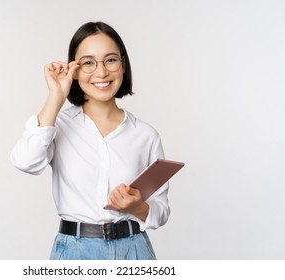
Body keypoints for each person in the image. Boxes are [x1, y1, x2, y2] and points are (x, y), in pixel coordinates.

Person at [10, 21, 170, 260]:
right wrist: (56, 96)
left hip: (135, 250)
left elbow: (161, 209)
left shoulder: (145, 135)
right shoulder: (58, 124)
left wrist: (137, 207)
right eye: (88, 63)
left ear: (123, 65)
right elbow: (26, 162)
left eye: (111, 60)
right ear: (74, 70)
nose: (102, 72)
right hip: (75, 251)